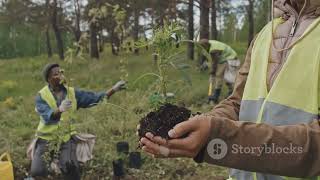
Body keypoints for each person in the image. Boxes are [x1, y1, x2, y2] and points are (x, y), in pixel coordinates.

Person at [139, 0, 320, 179]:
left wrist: (219, 135)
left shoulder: (215, 48)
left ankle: (216, 91)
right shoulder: (265, 34)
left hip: (228, 59)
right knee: (225, 81)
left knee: (220, 78)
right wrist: (206, 122)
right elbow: (238, 102)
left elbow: (215, 62)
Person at [30, 63, 126, 179]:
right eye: (56, 74)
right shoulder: (41, 96)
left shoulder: (72, 93)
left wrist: (113, 90)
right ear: (49, 79)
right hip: (46, 139)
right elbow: (48, 116)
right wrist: (60, 109)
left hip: (65, 139)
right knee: (37, 171)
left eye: (61, 72)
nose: (60, 75)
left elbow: (94, 99)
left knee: (70, 167)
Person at [199, 39, 240, 104]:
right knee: (224, 77)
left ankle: (217, 96)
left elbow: (215, 62)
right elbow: (211, 60)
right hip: (226, 58)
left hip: (231, 59)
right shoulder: (209, 44)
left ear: (206, 46)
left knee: (222, 76)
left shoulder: (214, 49)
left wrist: (212, 72)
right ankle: (230, 92)